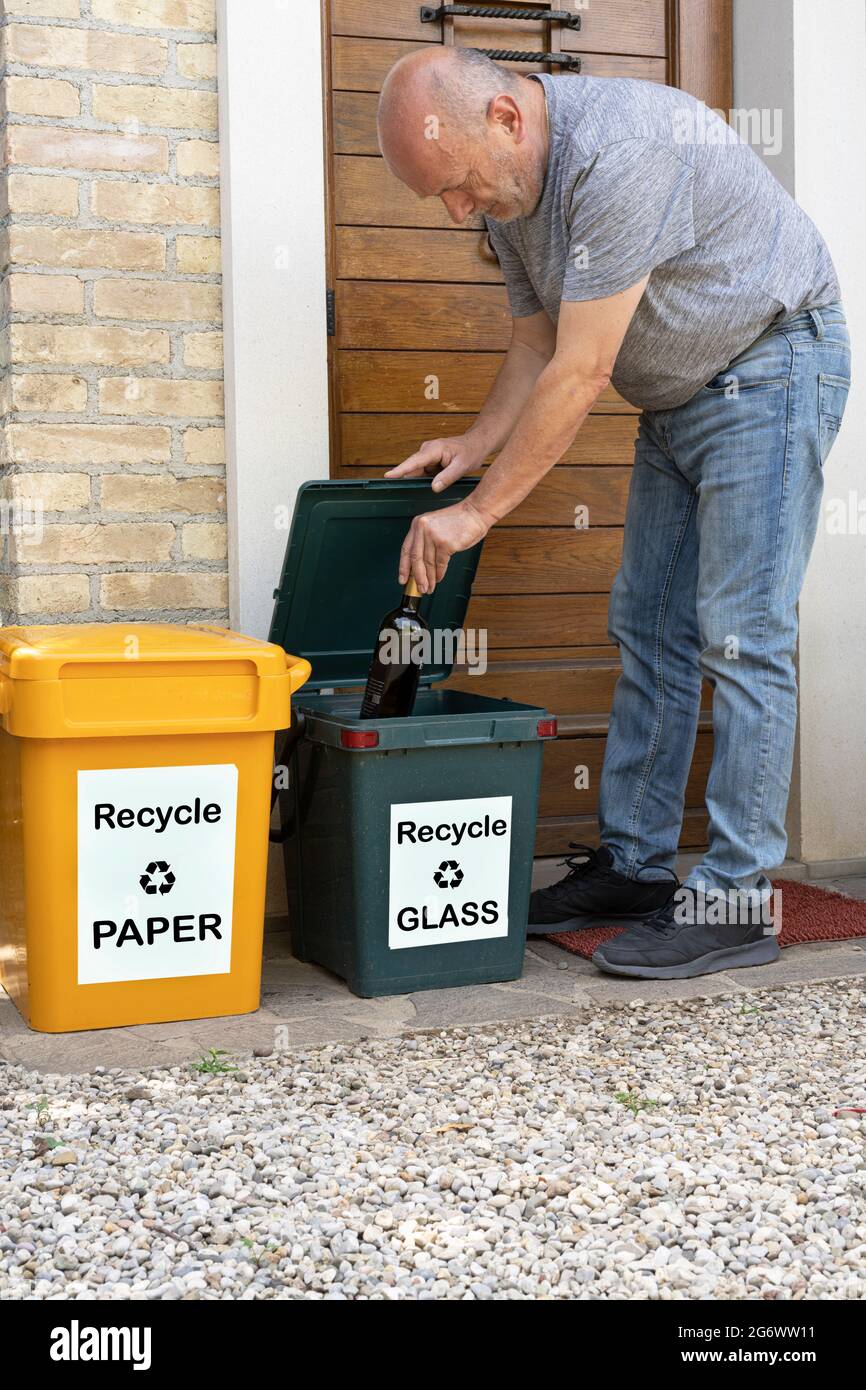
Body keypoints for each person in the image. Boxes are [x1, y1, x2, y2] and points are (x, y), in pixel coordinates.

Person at [376, 48, 850, 980]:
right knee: (647, 626)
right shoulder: (514, 196)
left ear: (507, 119)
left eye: (459, 185)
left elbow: (582, 371)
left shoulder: (621, 148)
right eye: (441, 198)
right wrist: (474, 446)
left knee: (743, 636)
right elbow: (536, 342)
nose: (458, 211)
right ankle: (634, 868)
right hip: (678, 395)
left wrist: (477, 516)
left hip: (770, 365)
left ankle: (736, 899)